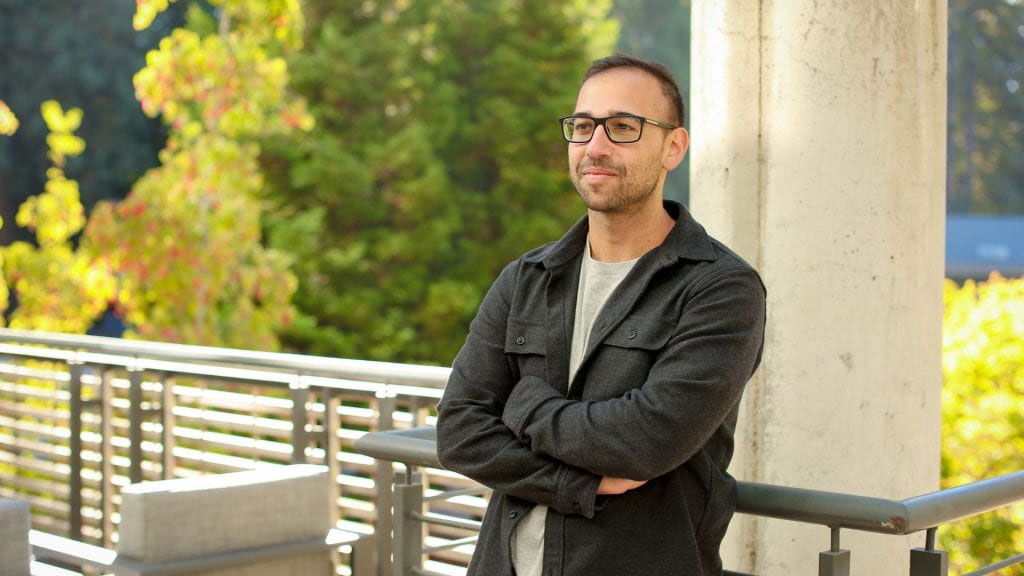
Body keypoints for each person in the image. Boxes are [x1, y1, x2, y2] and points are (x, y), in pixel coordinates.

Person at [436, 54, 767, 576]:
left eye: (623, 127)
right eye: (583, 126)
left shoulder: (721, 288)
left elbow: (646, 441)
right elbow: (459, 432)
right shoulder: (525, 278)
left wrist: (524, 407)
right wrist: (576, 483)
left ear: (672, 147)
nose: (596, 145)